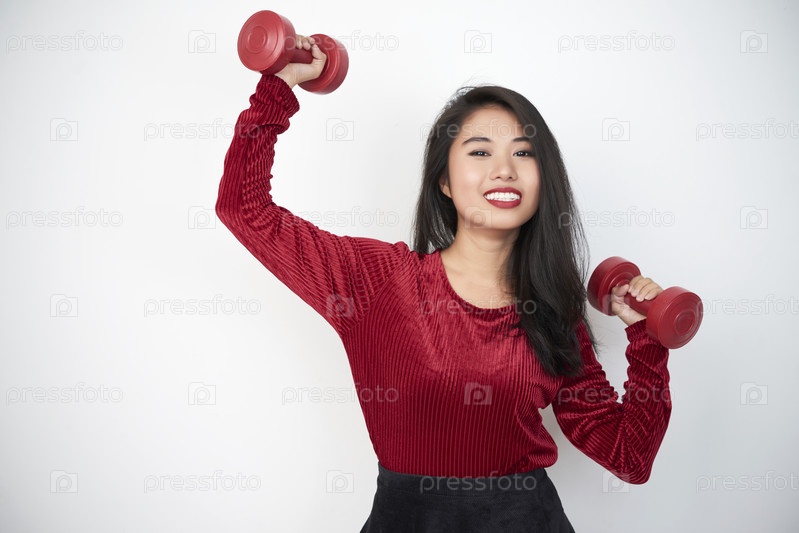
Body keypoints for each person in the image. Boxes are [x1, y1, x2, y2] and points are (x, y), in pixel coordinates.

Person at [215, 35, 671, 533]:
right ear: (445, 182)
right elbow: (243, 207)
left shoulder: (554, 316)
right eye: (480, 152)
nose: (504, 170)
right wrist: (280, 86)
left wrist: (646, 338)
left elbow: (629, 458)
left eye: (523, 153)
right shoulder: (374, 280)